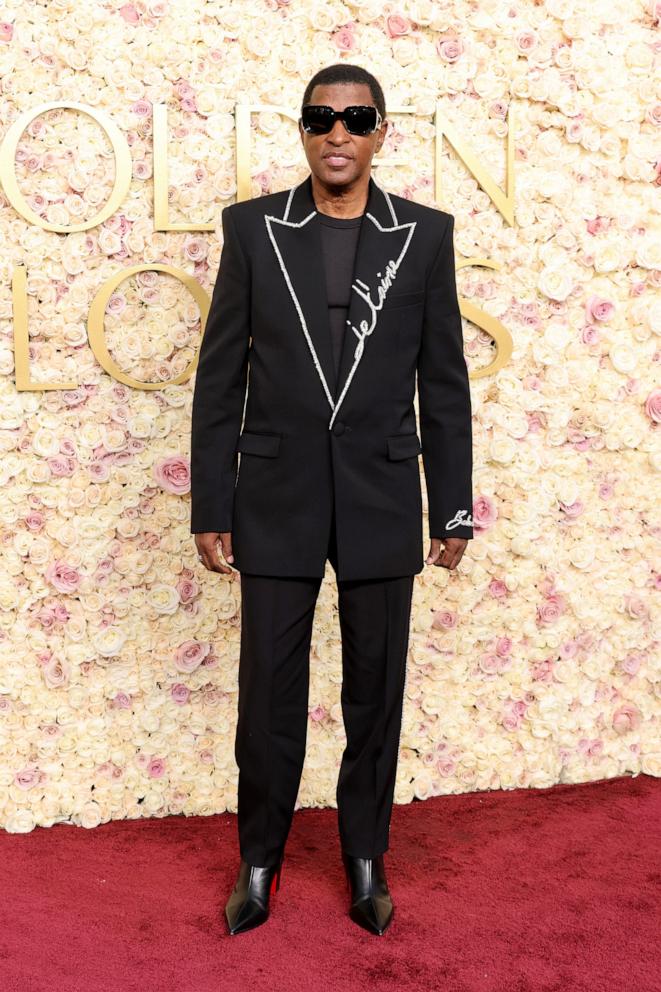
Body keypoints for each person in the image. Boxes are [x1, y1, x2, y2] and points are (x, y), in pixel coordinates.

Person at [190, 62, 474, 937]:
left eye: (355, 118)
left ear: (382, 130)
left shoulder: (424, 236)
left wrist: (452, 505)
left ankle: (365, 859)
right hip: (272, 495)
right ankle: (260, 861)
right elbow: (219, 377)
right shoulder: (252, 230)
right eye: (321, 119)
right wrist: (212, 503)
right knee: (266, 697)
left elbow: (444, 382)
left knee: (374, 692)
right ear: (302, 132)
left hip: (384, 495)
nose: (338, 133)